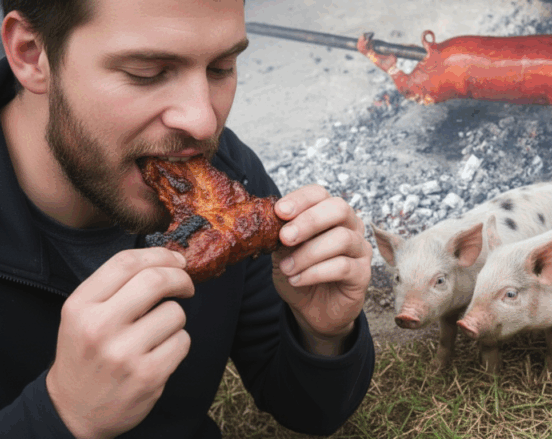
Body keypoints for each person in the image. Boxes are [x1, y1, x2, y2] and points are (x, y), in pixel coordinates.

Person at [0, 0, 375, 437]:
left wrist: (324, 334)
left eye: (221, 68)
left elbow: (311, 411)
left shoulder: (229, 180)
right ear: (31, 53)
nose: (202, 121)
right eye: (147, 72)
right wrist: (60, 415)